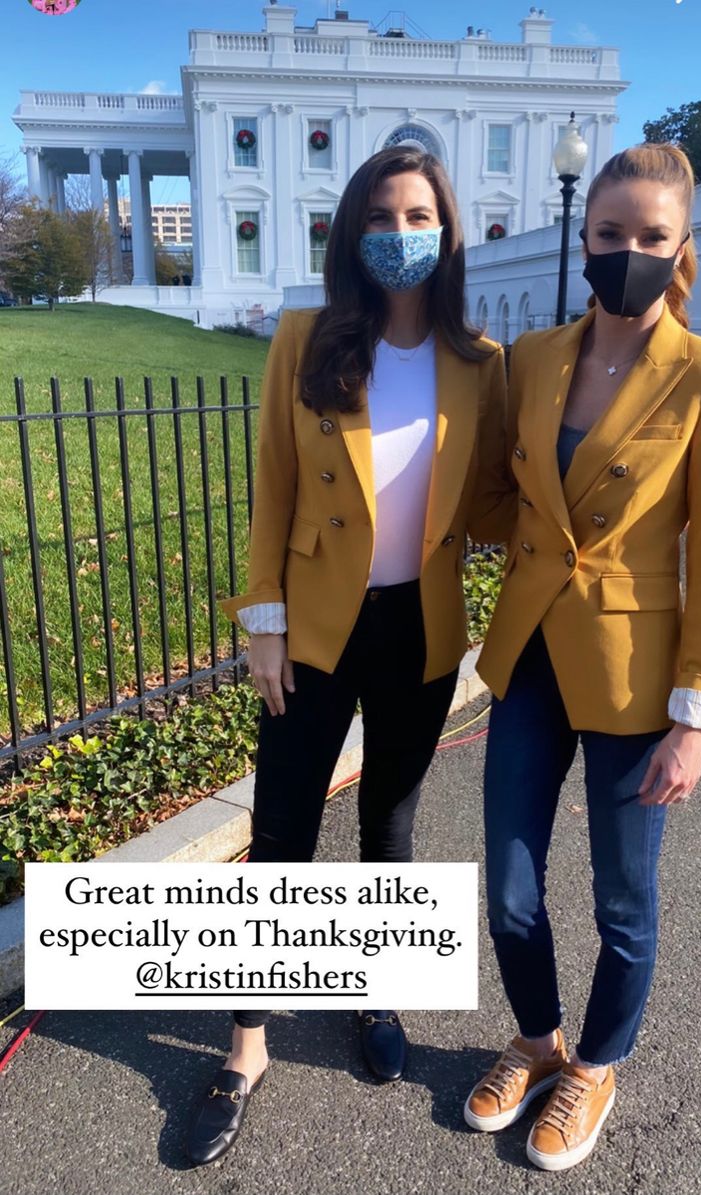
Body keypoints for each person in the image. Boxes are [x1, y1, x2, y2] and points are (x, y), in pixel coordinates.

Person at [185, 146, 512, 1167]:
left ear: (446, 230)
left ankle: (369, 990)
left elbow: (500, 497)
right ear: (351, 229)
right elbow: (272, 490)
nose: (400, 233)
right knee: (281, 832)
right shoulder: (303, 340)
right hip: (315, 629)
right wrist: (264, 626)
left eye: (418, 214)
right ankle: (247, 1041)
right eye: (380, 213)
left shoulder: (482, 361)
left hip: (419, 627)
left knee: (391, 826)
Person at [463, 143, 701, 1172]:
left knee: (623, 898)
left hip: (635, 673)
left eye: (650, 236)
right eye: (610, 234)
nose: (628, 250)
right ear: (584, 239)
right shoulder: (530, 358)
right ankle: (538, 1039)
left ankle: (599, 1061)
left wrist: (695, 715)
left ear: (679, 249)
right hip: (530, 651)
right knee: (511, 886)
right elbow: (496, 491)